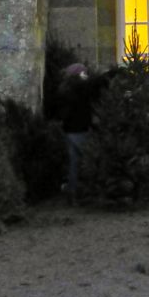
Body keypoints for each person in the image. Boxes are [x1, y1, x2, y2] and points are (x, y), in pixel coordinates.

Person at [57, 62, 94, 203]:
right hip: (80, 129)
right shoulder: (79, 89)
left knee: (74, 162)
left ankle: (72, 192)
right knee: (90, 159)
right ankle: (88, 191)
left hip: (69, 130)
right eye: (84, 74)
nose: (86, 76)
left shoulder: (65, 89)